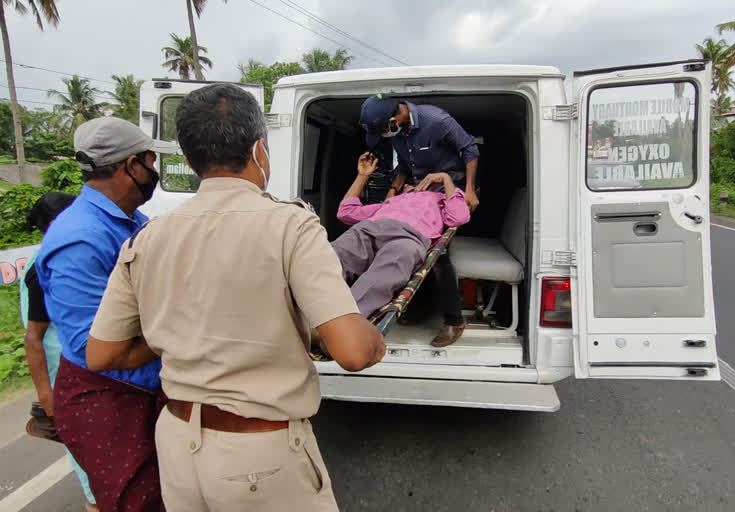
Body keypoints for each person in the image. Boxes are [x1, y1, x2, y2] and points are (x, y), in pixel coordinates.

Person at [84, 83, 386, 512]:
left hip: (176, 443)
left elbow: (101, 353)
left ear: (187, 161)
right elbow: (353, 352)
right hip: (259, 456)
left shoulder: (148, 237)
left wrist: (180, 331)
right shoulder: (291, 226)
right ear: (260, 150)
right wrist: (373, 337)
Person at [36, 117, 168, 512]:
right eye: (150, 160)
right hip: (110, 400)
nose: (154, 171)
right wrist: (174, 331)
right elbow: (94, 347)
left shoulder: (132, 222)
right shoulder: (80, 237)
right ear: (131, 166)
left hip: (142, 391)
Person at [359, 94, 480, 346]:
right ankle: (418, 306)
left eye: (383, 130)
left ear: (394, 119)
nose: (384, 135)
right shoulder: (399, 134)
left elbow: (470, 149)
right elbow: (404, 165)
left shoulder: (436, 120)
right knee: (409, 247)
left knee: (437, 254)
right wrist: (392, 192)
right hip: (420, 192)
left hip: (450, 187)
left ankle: (453, 320)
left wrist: (468, 189)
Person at [20, 193, 98, 512]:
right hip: (63, 374)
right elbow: (33, 338)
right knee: (90, 465)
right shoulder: (44, 265)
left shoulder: (58, 255)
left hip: (77, 371)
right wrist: (46, 396)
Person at [333, 152, 471, 320]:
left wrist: (445, 179)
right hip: (369, 229)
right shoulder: (393, 201)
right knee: (333, 255)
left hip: (408, 238)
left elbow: (459, 217)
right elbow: (345, 213)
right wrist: (362, 176)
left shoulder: (441, 200)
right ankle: (306, 312)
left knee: (392, 265)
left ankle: (345, 322)